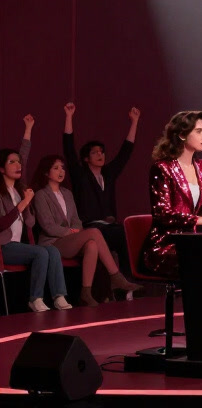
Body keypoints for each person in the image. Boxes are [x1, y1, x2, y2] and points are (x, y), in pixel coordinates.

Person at [31, 155, 142, 306]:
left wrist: (75, 230)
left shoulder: (67, 193)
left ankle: (86, 292)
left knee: (92, 244)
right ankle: (116, 276)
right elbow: (48, 226)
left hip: (70, 240)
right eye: (56, 168)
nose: (61, 171)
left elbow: (76, 220)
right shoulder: (41, 195)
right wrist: (71, 232)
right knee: (94, 232)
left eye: (62, 168)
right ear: (46, 172)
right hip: (52, 242)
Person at [141, 111, 202, 278]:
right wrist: (197, 220)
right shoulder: (163, 168)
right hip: (166, 244)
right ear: (182, 135)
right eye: (199, 131)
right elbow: (162, 214)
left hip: (194, 240)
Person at [1, 116, 73, 312]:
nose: (18, 165)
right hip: (4, 246)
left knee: (52, 251)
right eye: (12, 162)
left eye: (18, 162)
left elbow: (31, 223)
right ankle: (35, 298)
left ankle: (59, 296)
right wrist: (23, 204)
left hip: (20, 246)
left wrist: (29, 128)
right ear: (1, 168)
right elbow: (2, 224)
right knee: (41, 252)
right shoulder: (1, 194)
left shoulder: (20, 190)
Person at [62, 103, 138, 278]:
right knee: (120, 233)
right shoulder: (80, 175)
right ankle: (124, 280)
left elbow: (125, 153)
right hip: (90, 226)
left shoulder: (108, 174)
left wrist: (134, 122)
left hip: (110, 226)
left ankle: (128, 281)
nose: (100, 155)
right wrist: (69, 117)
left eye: (102, 152)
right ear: (86, 158)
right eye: (95, 152)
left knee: (127, 233)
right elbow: (69, 149)